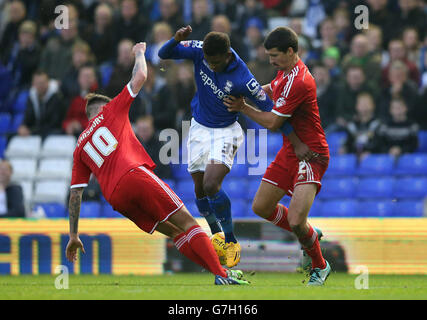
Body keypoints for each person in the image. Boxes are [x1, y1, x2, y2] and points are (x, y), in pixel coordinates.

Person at [65, 42, 248, 286]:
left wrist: (74, 234)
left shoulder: (79, 146)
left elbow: (75, 194)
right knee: (188, 222)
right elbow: (140, 75)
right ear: (102, 107)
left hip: (115, 198)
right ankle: (222, 275)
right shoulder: (111, 110)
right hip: (133, 175)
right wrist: (140, 52)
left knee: (174, 232)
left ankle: (218, 272)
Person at [158, 25, 315, 268]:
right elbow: (163, 54)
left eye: (216, 62)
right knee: (199, 191)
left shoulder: (244, 78)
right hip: (198, 128)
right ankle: (216, 236)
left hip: (225, 132)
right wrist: (175, 39)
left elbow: (270, 111)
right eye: (207, 62)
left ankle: (231, 240)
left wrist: (296, 142)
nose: (210, 66)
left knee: (212, 184)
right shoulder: (201, 51)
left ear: (228, 54)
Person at [224, 27, 331, 286]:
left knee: (296, 220)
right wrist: (248, 91)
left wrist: (243, 107)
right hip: (290, 151)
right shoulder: (286, 73)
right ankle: (310, 235)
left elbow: (272, 122)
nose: (271, 61)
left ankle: (321, 265)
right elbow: (271, 89)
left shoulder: (300, 81)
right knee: (261, 206)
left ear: (290, 51)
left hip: (310, 154)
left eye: (274, 55)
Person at [18, 70, 65, 138]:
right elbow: (28, 116)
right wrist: (23, 126)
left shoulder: (57, 96)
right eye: (38, 83)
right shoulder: (32, 96)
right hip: (37, 132)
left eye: (43, 83)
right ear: (33, 84)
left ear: (48, 82)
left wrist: (32, 131)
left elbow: (54, 123)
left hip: (53, 133)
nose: (40, 86)